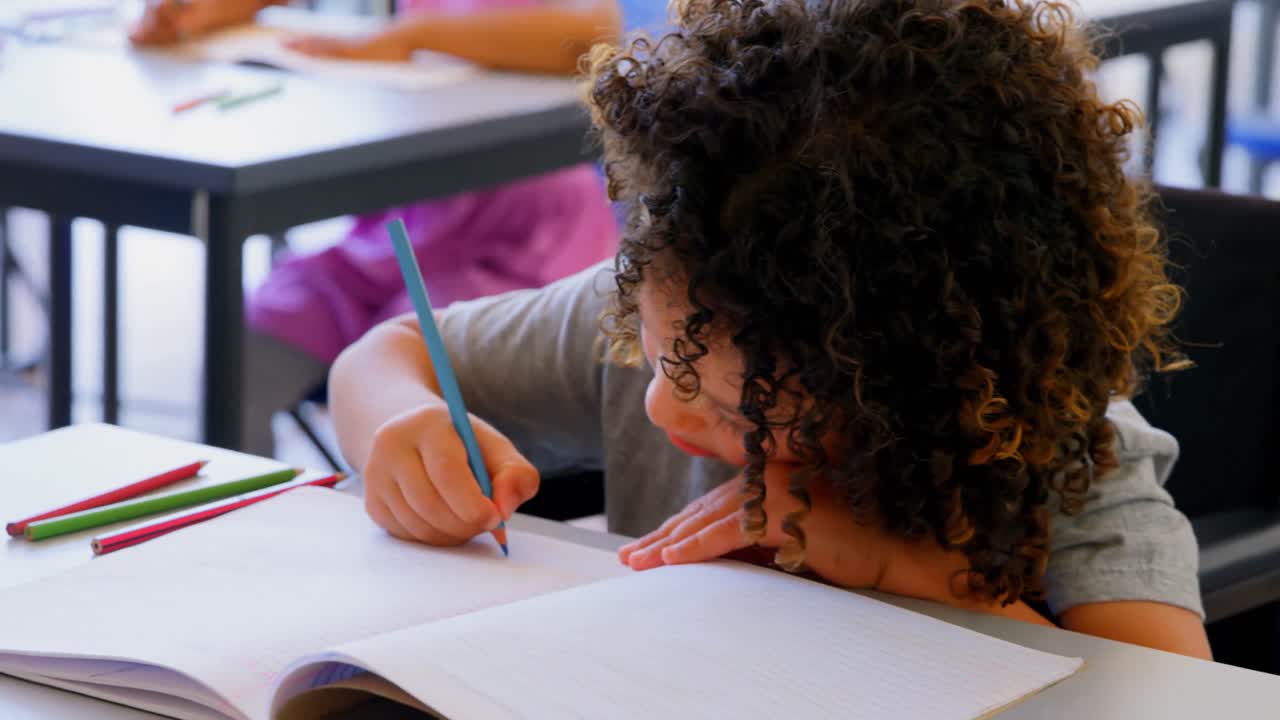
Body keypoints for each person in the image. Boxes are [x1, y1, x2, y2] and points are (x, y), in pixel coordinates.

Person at [328, 0, 1213, 659]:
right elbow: (389, 353)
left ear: (899, 395)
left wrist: (897, 568)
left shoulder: (1070, 457)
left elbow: (1179, 699)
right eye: (658, 352)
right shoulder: (681, 325)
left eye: (725, 404)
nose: (661, 411)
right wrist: (402, 428)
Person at [131, 0, 623, 456]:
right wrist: (190, 15)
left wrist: (415, 35)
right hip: (396, 233)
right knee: (242, 358)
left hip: (524, 242)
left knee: (415, 396)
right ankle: (241, 533)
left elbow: (602, 31)